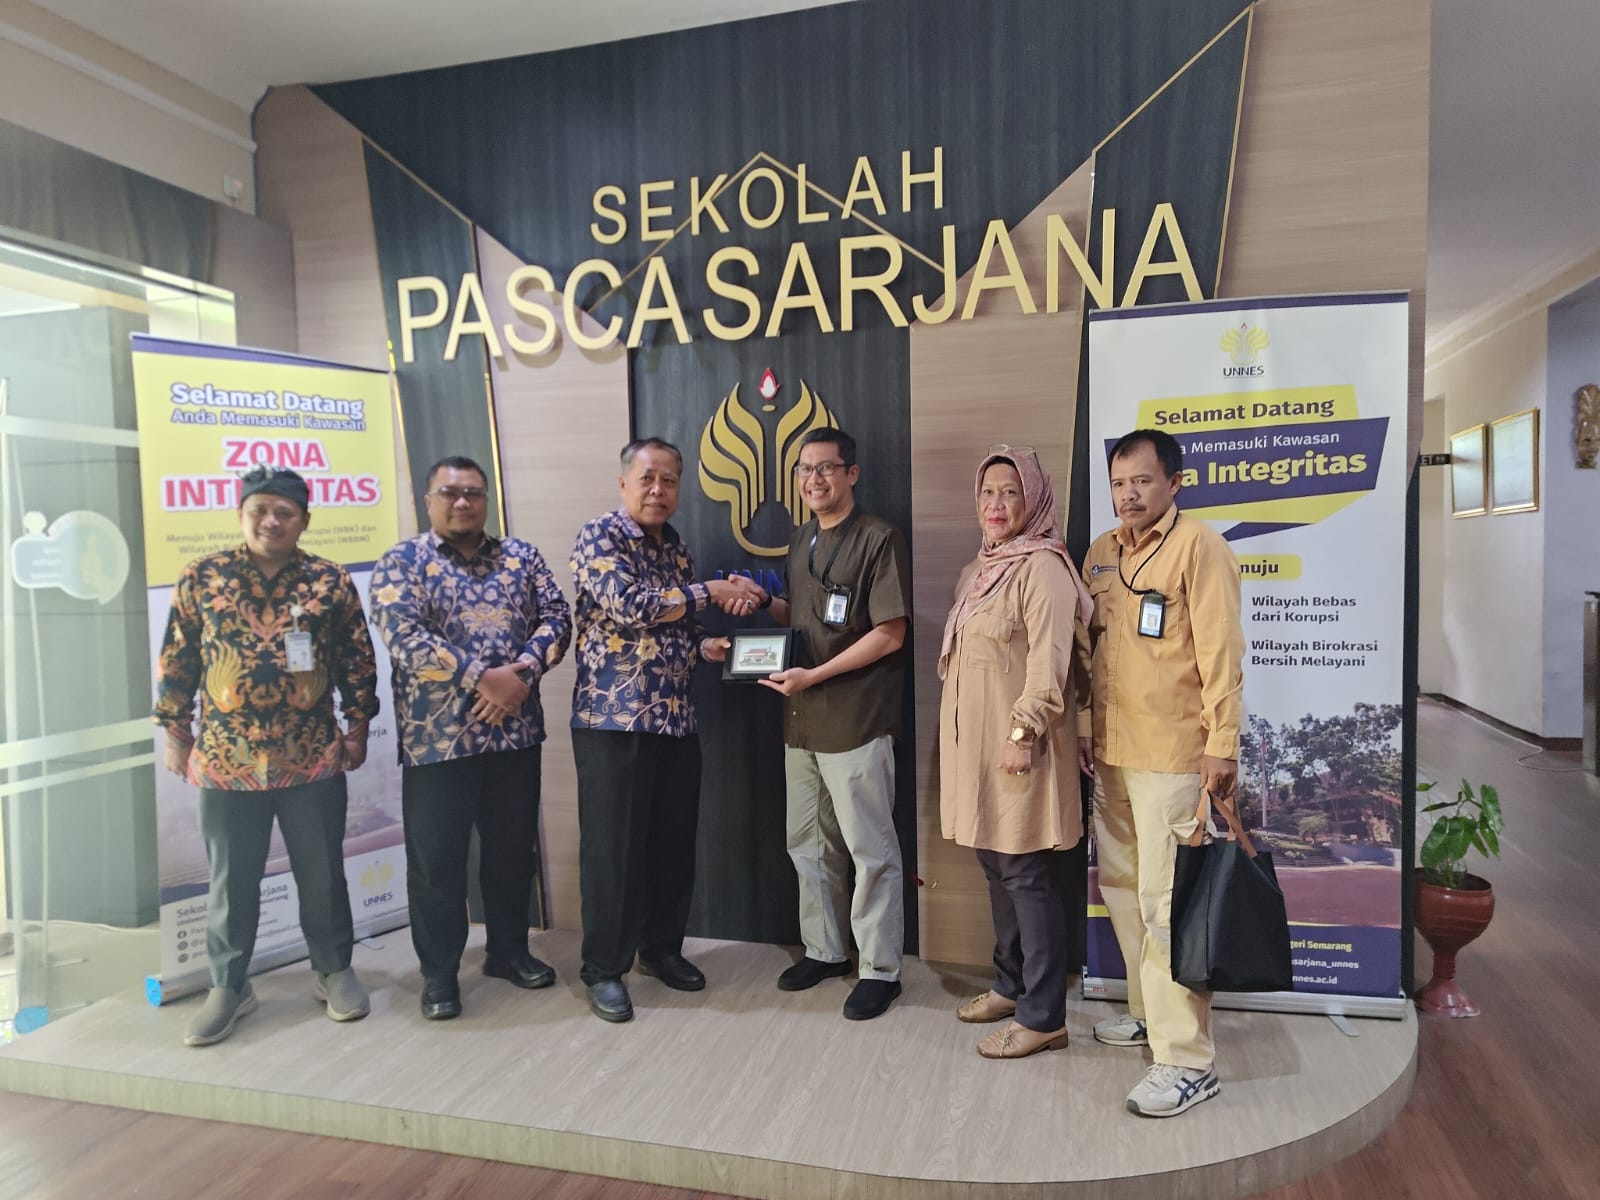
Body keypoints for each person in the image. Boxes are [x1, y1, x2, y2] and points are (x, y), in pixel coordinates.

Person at [154, 465, 378, 1047]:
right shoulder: (202, 577)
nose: (271, 521)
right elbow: (177, 659)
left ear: (304, 520)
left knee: (322, 872)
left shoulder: (329, 580)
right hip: (226, 760)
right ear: (241, 515)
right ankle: (229, 985)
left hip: (311, 756)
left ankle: (333, 969)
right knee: (232, 882)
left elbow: (356, 657)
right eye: (260, 510)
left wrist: (358, 726)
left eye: (285, 512)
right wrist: (176, 733)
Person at [370, 455, 571, 1021]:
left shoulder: (522, 557)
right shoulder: (402, 562)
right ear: (429, 500)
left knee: (511, 854)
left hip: (515, 737)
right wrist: (484, 678)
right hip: (437, 744)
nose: (463, 502)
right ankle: (439, 974)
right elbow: (403, 636)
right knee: (437, 863)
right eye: (450, 492)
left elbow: (558, 618)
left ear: (487, 500)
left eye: (474, 493)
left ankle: (508, 952)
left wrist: (521, 674)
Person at [568, 437, 762, 1023]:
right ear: (624, 483)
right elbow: (632, 606)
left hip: (675, 718)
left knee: (672, 845)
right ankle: (604, 969)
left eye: (670, 480)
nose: (658, 490)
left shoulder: (676, 547)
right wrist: (712, 592)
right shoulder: (599, 536)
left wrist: (707, 645)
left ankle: (660, 950)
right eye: (648, 478)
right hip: (614, 720)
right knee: (613, 851)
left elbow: (672, 626)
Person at [1080, 429, 1244, 1116]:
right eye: (1119, 483)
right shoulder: (1100, 553)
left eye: (1142, 481)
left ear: (1175, 483)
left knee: (1166, 903)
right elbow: (1089, 651)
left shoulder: (1199, 547)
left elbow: (1221, 650)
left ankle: (1187, 1061)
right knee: (1122, 887)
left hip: (1174, 754)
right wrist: (1084, 730)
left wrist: (1223, 743)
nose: (1129, 494)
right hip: (1111, 752)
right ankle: (1150, 1016)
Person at [937, 447, 1094, 1058]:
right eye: (987, 492)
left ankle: (1044, 1015)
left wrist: (1022, 734)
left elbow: (1050, 664)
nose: (996, 504)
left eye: (1010, 492)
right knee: (996, 868)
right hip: (976, 754)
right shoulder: (979, 571)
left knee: (1026, 877)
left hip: (1020, 750)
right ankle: (1009, 985)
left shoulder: (1043, 568)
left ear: (1034, 499)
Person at [761, 428, 911, 1021]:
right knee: (808, 844)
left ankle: (879, 969)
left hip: (855, 719)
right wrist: (761, 603)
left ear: (851, 474)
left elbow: (889, 633)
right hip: (801, 723)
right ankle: (824, 950)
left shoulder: (878, 538)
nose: (814, 479)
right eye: (805, 470)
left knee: (870, 850)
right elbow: (803, 621)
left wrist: (814, 676)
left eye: (826, 468)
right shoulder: (801, 540)